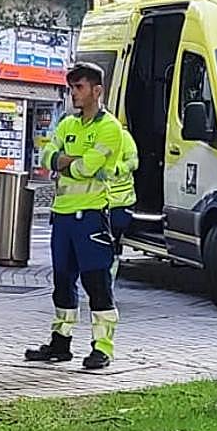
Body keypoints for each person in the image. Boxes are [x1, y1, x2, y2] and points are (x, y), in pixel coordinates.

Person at [25, 63, 123, 370]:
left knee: (97, 283)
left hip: (92, 216)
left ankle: (102, 348)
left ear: (97, 90)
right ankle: (60, 343)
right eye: (71, 88)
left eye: (78, 88)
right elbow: (46, 157)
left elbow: (87, 168)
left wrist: (64, 161)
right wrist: (64, 160)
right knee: (62, 282)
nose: (73, 94)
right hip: (62, 216)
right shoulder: (68, 124)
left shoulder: (109, 128)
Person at [107, 125, 139, 282]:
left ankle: (108, 282)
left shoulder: (123, 136)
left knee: (113, 243)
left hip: (120, 201)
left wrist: (117, 169)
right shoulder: (92, 137)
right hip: (96, 201)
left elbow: (133, 162)